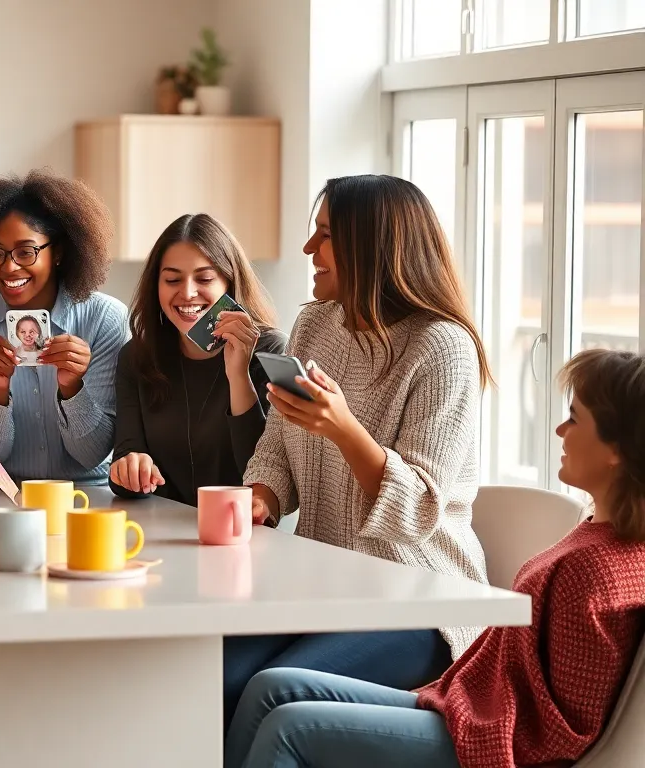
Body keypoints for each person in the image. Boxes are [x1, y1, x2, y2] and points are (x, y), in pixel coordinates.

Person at [226, 348, 645, 768]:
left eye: (574, 418)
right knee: (273, 689)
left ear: (617, 448)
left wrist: (467, 720)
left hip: (485, 741)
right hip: (463, 708)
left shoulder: (597, 569)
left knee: (290, 727)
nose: (558, 429)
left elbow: (564, 734)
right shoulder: (594, 536)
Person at [227, 175, 493, 722]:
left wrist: (345, 430)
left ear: (371, 246)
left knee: (270, 692)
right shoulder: (315, 323)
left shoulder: (443, 347)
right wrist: (263, 497)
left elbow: (420, 510)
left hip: (422, 602)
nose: (308, 250)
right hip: (326, 588)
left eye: (324, 235)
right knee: (211, 675)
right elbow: (278, 445)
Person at [0, 170, 128, 484]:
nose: (9, 266)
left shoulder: (105, 318)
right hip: (5, 496)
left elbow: (93, 454)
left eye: (26, 251)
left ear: (58, 251)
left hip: (88, 497)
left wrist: (72, 389)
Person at [110, 213, 286, 505]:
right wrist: (129, 468)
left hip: (241, 533)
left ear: (229, 283)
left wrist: (238, 374)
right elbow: (124, 474)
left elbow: (262, 478)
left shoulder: (269, 351)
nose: (188, 293)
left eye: (204, 278)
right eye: (172, 279)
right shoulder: (137, 357)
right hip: (164, 534)